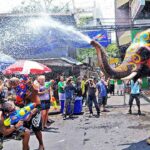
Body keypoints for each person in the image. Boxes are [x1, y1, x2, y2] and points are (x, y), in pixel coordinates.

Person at [9, 77, 45, 150]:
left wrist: (30, 84)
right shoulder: (18, 90)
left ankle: (41, 145)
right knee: (25, 130)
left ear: (18, 82)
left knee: (36, 128)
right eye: (12, 84)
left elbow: (35, 92)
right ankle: (26, 147)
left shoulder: (27, 86)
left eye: (14, 84)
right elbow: (20, 100)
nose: (13, 86)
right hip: (25, 109)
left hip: (35, 107)